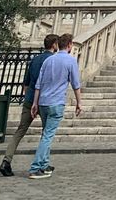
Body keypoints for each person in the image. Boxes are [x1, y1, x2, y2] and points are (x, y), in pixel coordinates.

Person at [0, 34, 58, 178]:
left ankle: (6, 160)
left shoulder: (35, 59)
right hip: (44, 101)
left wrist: (29, 100)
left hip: (30, 99)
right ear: (55, 44)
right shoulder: (53, 60)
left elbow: (26, 83)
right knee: (46, 134)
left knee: (20, 131)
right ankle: (42, 164)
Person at [27, 33, 83, 180]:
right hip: (56, 103)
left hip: (43, 102)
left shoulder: (48, 60)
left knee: (46, 133)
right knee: (47, 135)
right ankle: (35, 168)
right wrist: (79, 102)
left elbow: (38, 84)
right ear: (70, 45)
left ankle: (44, 165)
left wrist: (34, 103)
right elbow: (76, 84)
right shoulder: (70, 61)